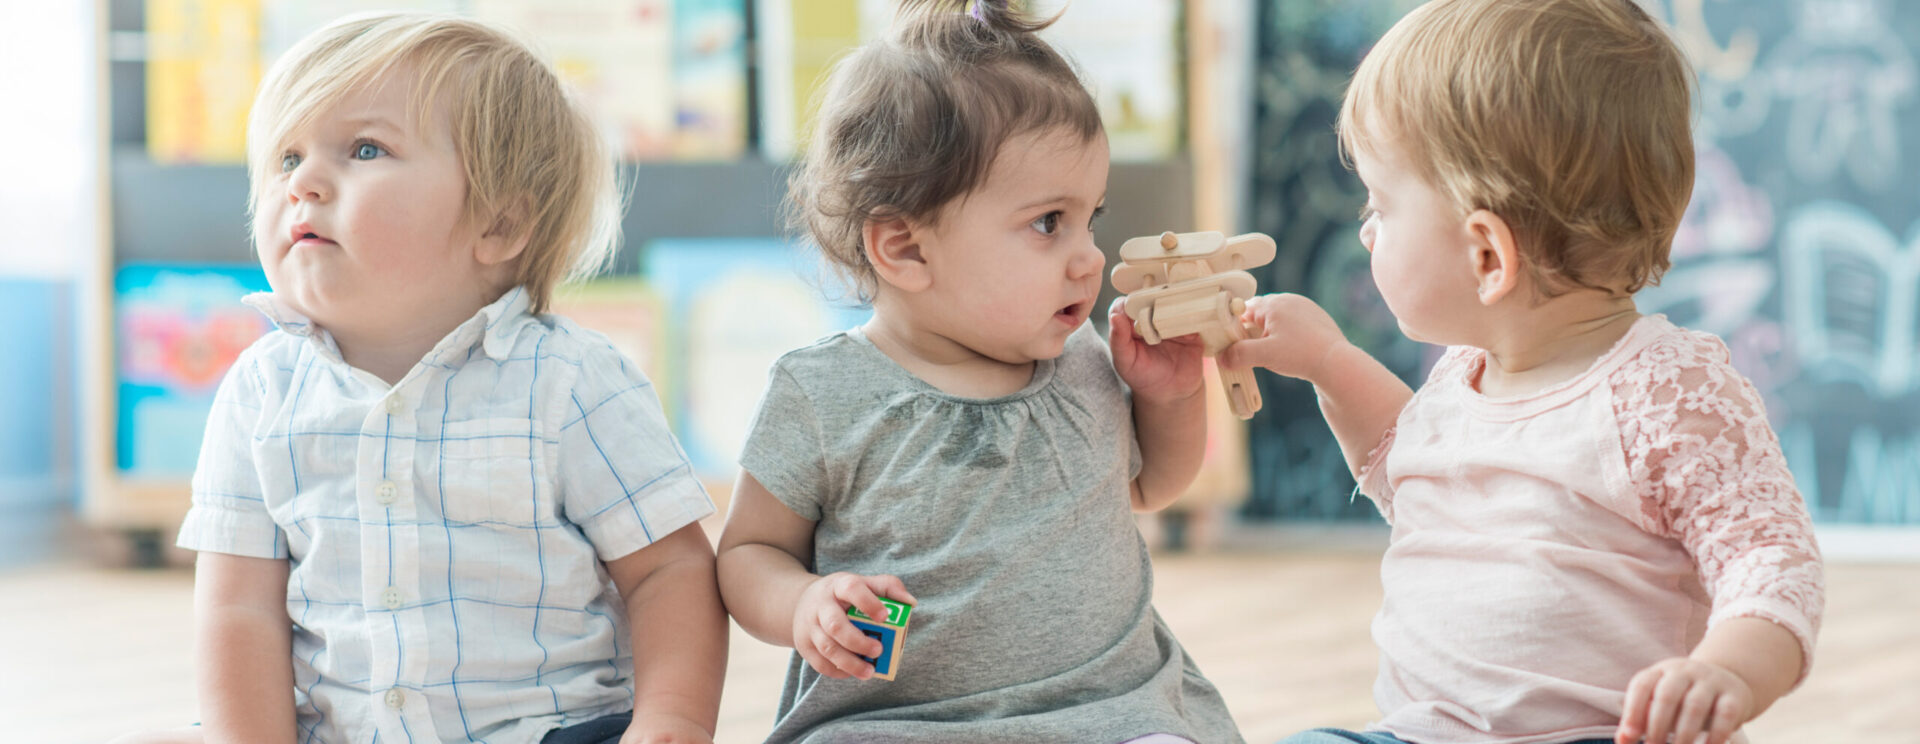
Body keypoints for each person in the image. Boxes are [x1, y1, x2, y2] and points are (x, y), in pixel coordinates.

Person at [110, 13, 725, 744]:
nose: (303, 182)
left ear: (497, 225)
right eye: (285, 158)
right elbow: (237, 606)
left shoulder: (573, 383)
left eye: (365, 149)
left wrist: (672, 724)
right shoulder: (261, 392)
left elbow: (669, 573)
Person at [1223, 2, 1825, 743]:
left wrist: (1728, 671)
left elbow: (1770, 558)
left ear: (1487, 256)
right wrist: (1328, 363)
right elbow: (1404, 470)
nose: (1367, 229)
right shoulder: (1463, 376)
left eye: (1381, 204)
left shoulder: (1666, 392)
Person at [712, 1, 1243, 742]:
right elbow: (747, 553)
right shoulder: (821, 393)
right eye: (1048, 223)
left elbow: (1154, 483)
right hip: (902, 722)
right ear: (906, 249)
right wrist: (806, 603)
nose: (1089, 256)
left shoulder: (1081, 358)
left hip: (1107, 712)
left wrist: (1171, 395)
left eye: (1091, 216)